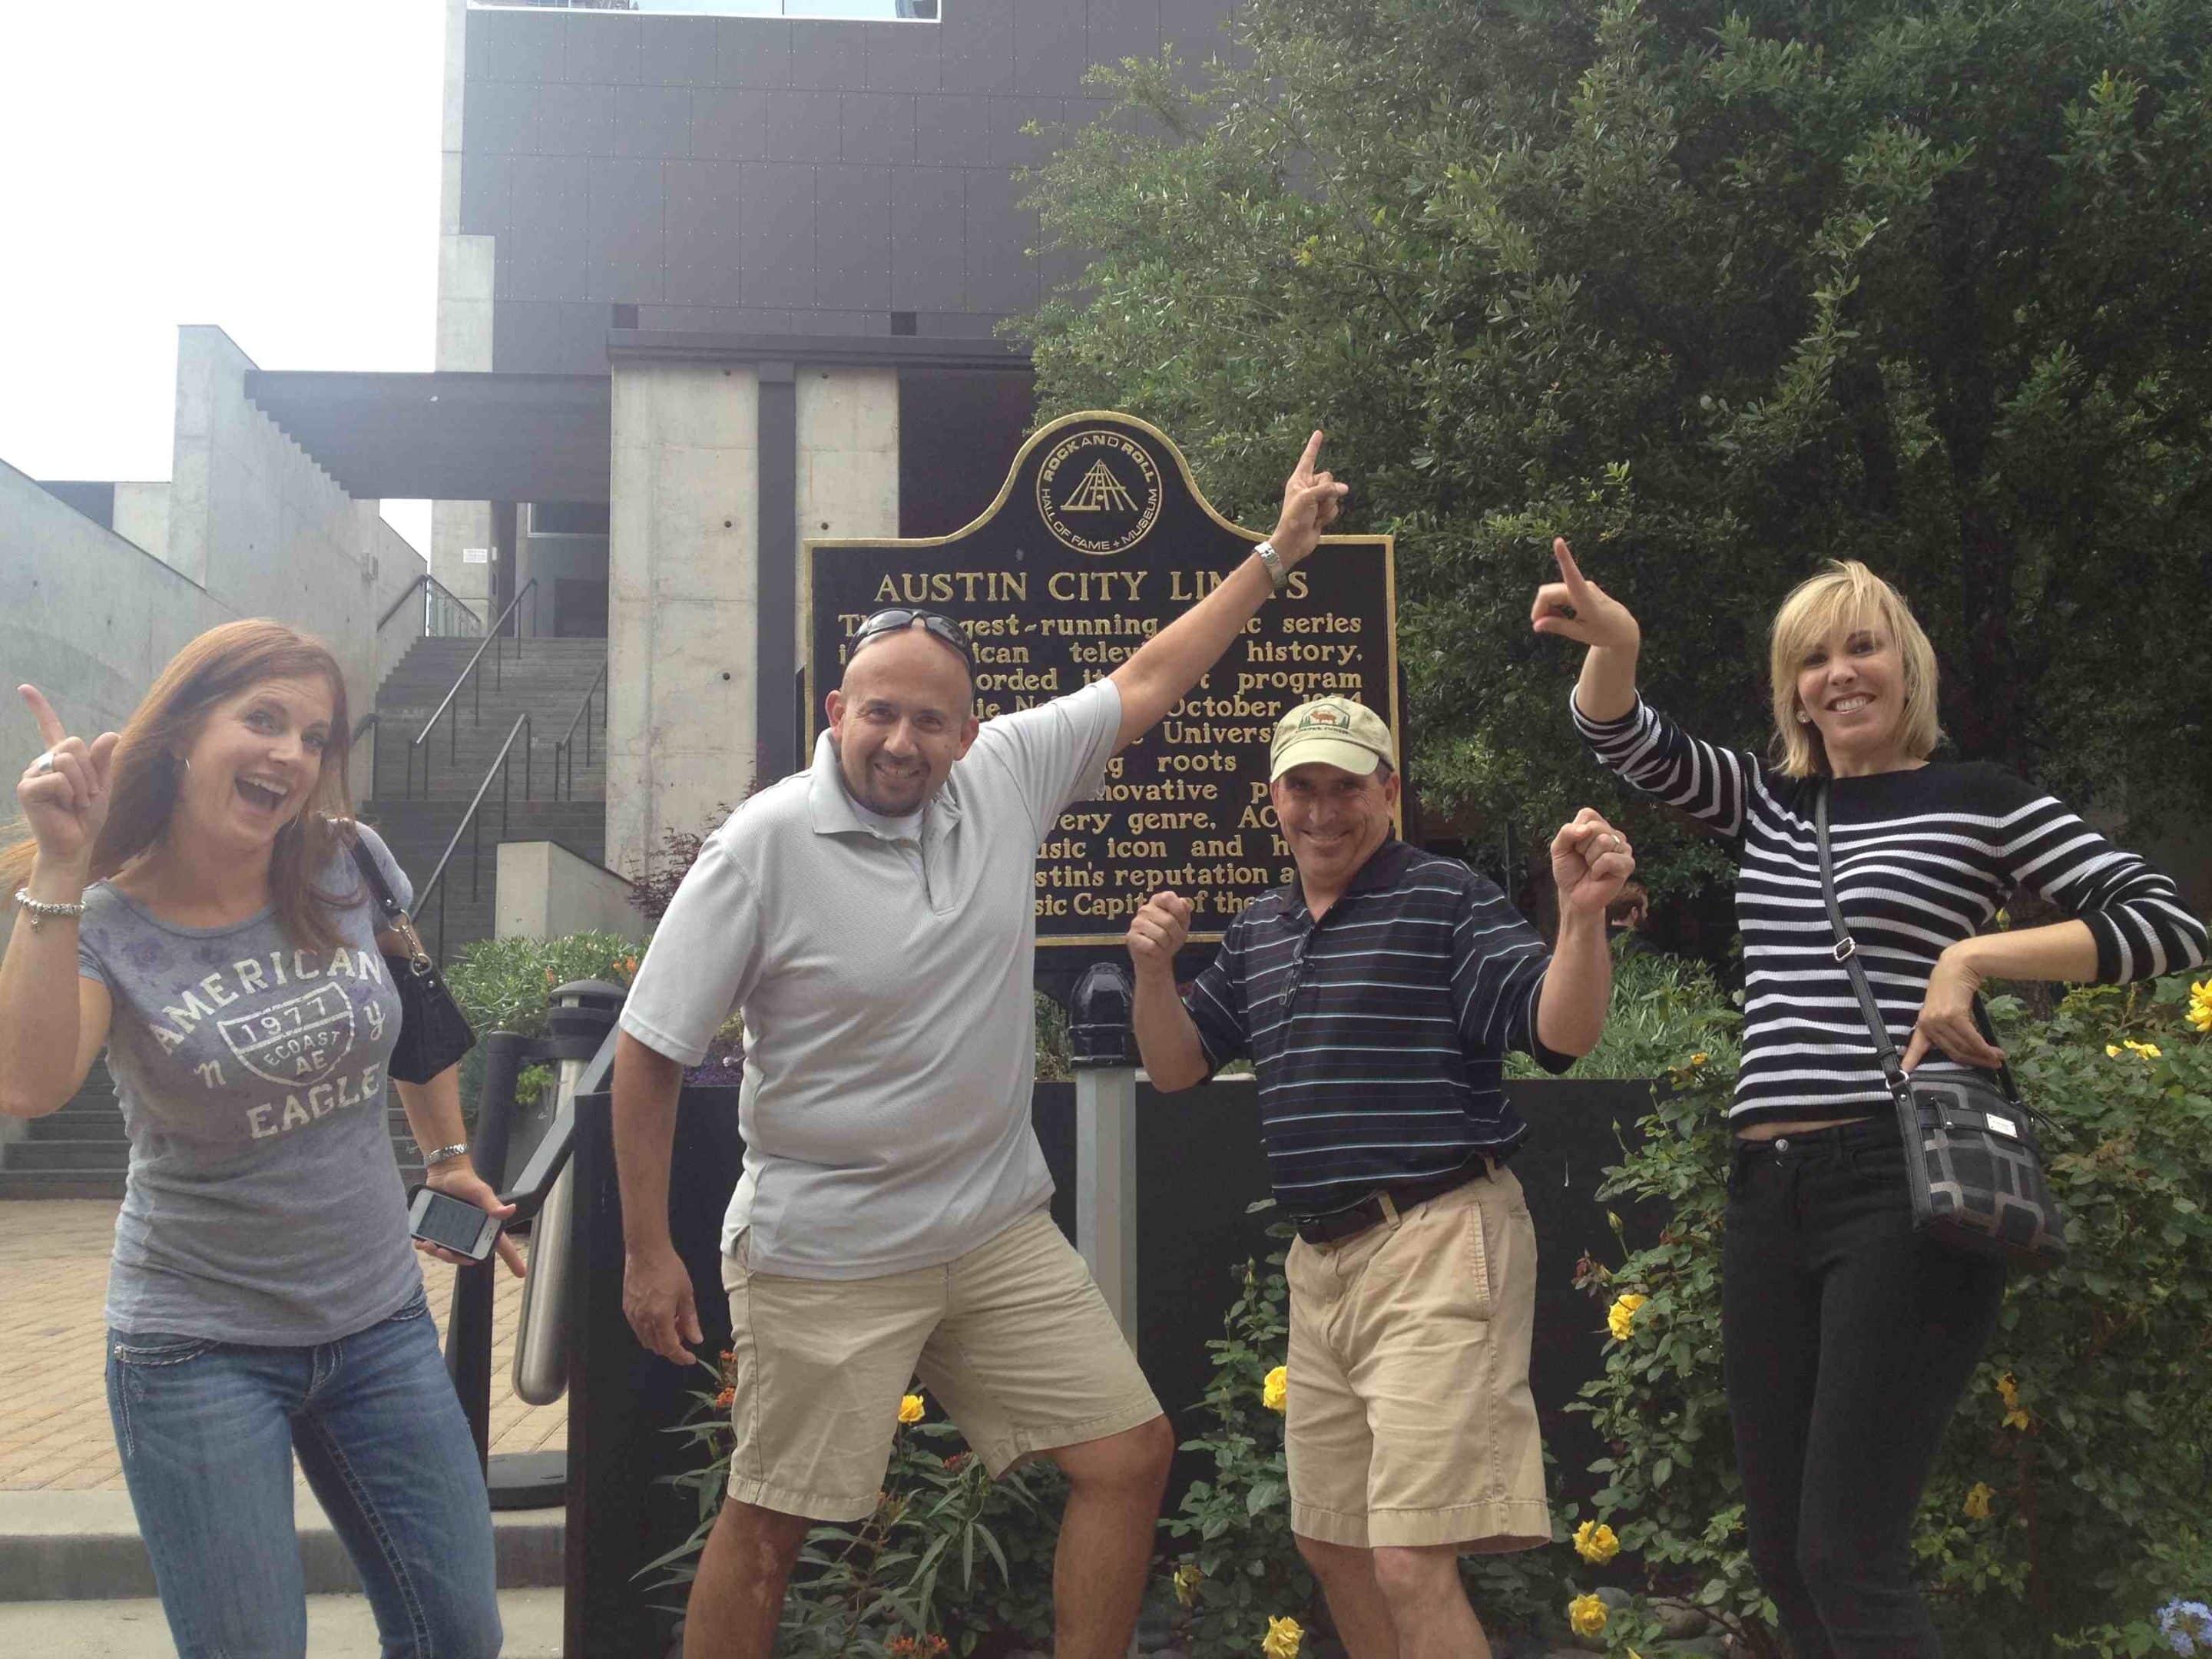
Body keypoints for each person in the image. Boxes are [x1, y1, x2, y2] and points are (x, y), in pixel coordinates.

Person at [614, 434, 1352, 1659]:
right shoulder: (763, 847)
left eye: (932, 721)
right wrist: (649, 1252)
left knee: (1128, 1456)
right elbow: (647, 1052)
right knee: (769, 1530)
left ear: (971, 731)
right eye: (882, 713)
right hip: (827, 1252)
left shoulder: (1005, 776)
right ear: (839, 711)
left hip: (993, 1229)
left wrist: (1276, 553)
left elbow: (1157, 672)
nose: (903, 742)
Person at [1532, 541, 2208, 1655]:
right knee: (1784, 1552)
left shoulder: (1979, 799)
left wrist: (1977, 962)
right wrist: (1618, 646)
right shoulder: (1766, 801)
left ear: (1908, 667)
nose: (1839, 675)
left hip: (1900, 1182)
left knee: (1849, 1552)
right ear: (1791, 687)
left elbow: (2165, 922)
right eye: (1812, 660)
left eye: (1862, 647)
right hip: (1766, 1192)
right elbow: (1620, 734)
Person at [0, 621, 518, 1659]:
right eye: (264, 719)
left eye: (316, 737)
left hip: (376, 1325)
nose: (291, 754)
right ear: (187, 729)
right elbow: (30, 1081)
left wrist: (448, 1156)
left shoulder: (344, 862)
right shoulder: (103, 919)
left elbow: (412, 1012)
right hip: (197, 1346)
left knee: (459, 1634)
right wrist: (61, 868)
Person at [1123, 696, 1633, 1659]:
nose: (1324, 811)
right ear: (1273, 798)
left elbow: (1561, 1032)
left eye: (1347, 788)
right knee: (1334, 1541)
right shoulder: (1262, 928)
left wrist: (1580, 918)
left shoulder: (1445, 898)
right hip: (1322, 1265)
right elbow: (1180, 1066)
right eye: (1303, 787)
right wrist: (1155, 974)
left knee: (1409, 1557)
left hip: (1438, 1238)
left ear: (1389, 793)